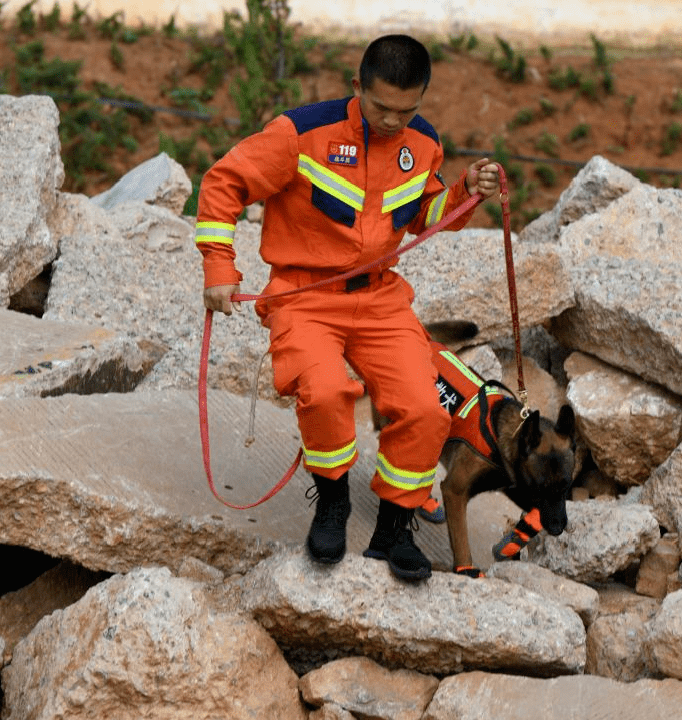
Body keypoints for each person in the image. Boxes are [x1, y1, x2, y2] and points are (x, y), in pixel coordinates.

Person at [194, 34, 500, 581]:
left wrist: (463, 192)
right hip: (304, 297)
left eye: (406, 111)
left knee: (426, 408)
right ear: (357, 86)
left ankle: (392, 532)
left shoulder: (423, 143)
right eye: (381, 107)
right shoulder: (299, 133)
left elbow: (420, 216)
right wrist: (219, 267)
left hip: (381, 299)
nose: (391, 121)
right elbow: (223, 182)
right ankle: (332, 504)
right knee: (326, 391)